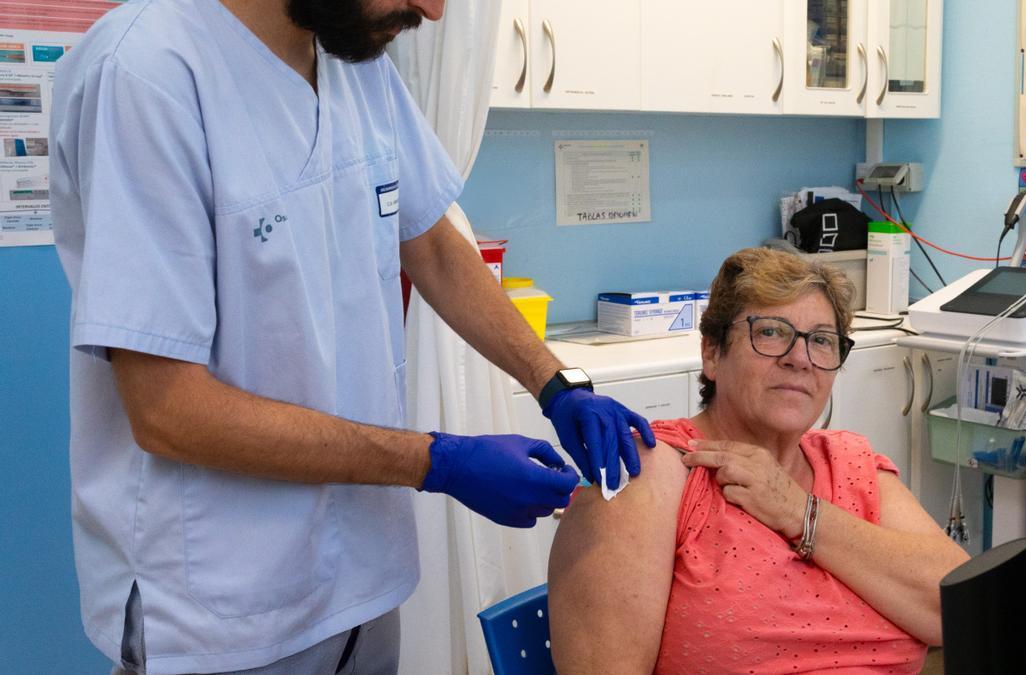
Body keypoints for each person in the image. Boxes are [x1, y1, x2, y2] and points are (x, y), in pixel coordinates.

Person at [49, 0, 655, 672]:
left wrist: (555, 382)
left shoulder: (352, 59)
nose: (432, 9)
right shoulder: (148, 72)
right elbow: (169, 412)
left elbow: (432, 243)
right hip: (221, 608)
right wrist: (437, 461)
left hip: (362, 583)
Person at [548, 247, 970, 673]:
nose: (800, 358)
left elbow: (962, 610)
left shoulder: (849, 462)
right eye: (770, 332)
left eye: (822, 341)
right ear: (712, 353)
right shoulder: (651, 473)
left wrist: (799, 511)